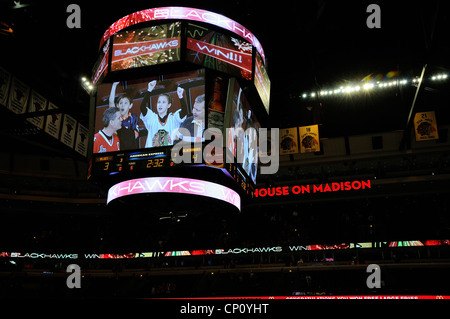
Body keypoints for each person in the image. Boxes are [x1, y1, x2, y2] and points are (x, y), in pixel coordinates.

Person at [140, 80, 188, 148]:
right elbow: (142, 107)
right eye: (159, 102)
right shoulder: (152, 118)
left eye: (163, 102)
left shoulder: (173, 118)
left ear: (169, 105)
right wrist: (149, 90)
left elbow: (184, 112)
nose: (160, 105)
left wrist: (181, 97)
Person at [109, 82, 139, 150]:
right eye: (121, 103)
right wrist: (114, 85)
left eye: (126, 103)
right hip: (118, 145)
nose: (123, 105)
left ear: (130, 106)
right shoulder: (116, 117)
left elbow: (134, 136)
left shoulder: (133, 117)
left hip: (129, 146)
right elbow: (111, 102)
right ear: (117, 105)